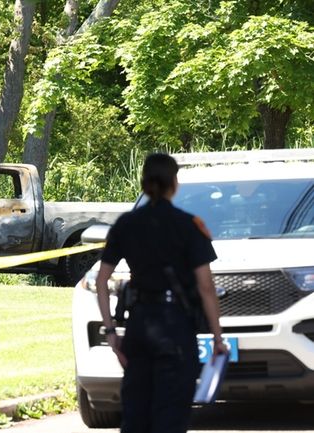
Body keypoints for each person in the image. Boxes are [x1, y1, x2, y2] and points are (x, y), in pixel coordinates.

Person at [96, 152, 227, 433]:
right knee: (170, 415)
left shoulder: (125, 224)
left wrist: (110, 331)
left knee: (136, 415)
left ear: (143, 182)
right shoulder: (188, 225)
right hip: (175, 328)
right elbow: (206, 286)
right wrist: (217, 337)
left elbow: (102, 280)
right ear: (174, 183)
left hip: (139, 325)